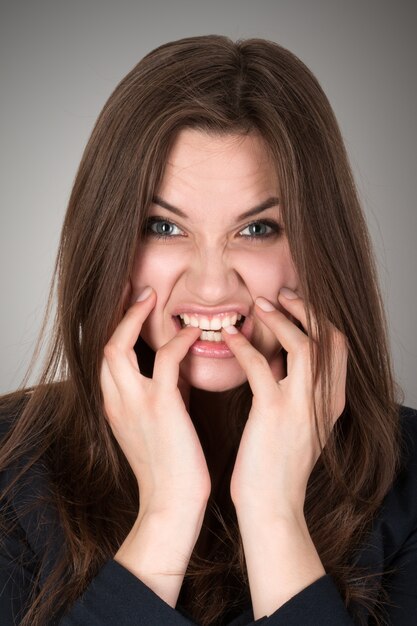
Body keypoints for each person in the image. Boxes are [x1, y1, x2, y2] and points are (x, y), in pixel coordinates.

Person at [0, 34, 416, 626]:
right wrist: (166, 517)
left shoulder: (409, 480)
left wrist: (275, 517)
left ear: (320, 245)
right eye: (164, 228)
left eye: (258, 229)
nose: (214, 286)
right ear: (107, 239)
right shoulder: (8, 466)